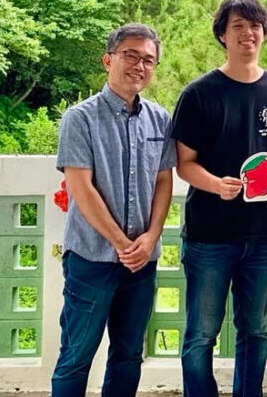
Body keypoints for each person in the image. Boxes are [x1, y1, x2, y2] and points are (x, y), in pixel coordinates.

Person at [171, 0, 267, 397]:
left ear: (264, 34)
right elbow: (184, 164)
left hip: (263, 235)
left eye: (255, 26)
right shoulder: (199, 94)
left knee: (255, 330)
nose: (248, 34)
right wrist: (216, 184)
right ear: (222, 35)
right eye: (238, 26)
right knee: (201, 334)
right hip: (208, 236)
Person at [51, 23, 175, 397]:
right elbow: (81, 188)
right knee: (76, 355)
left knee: (128, 355)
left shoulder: (160, 118)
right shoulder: (80, 118)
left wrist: (151, 238)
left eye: (148, 60)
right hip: (92, 258)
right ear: (108, 60)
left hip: (141, 261)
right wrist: (122, 244)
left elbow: (164, 180)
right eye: (130, 55)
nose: (139, 65)